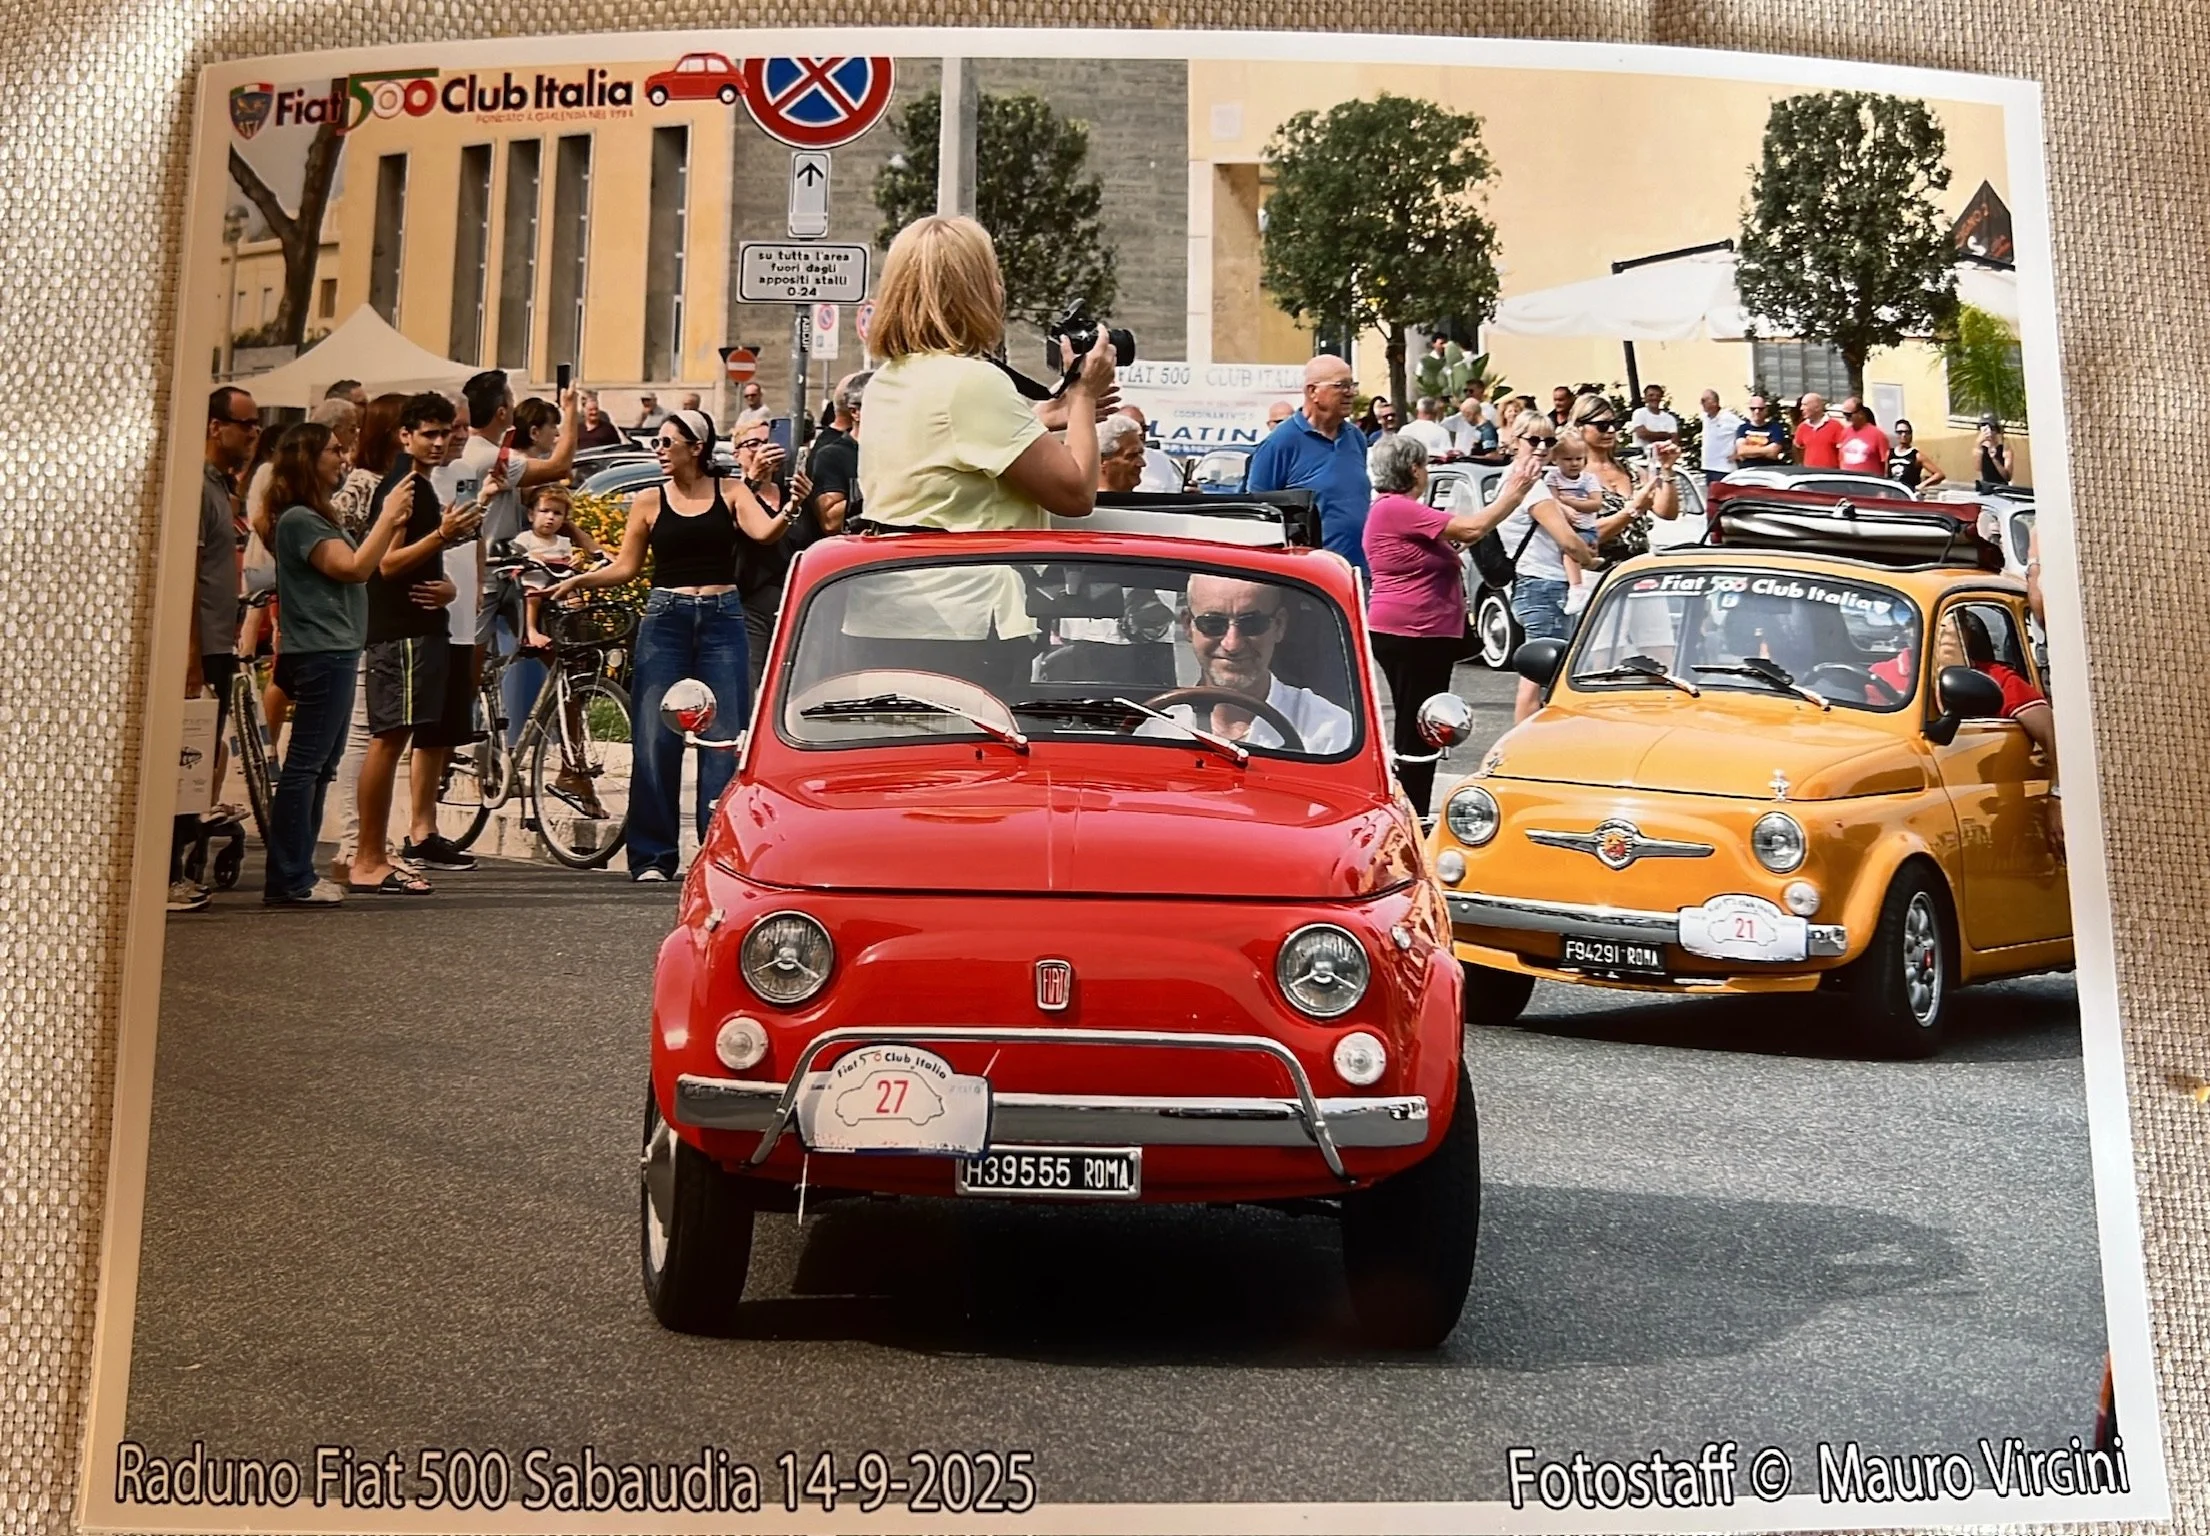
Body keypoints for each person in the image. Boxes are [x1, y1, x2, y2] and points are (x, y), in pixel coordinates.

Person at [550, 409, 795, 881]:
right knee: (655, 736)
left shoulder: (730, 491)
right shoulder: (648, 500)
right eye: (657, 443)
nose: (659, 450)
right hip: (666, 619)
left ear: (696, 447)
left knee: (723, 738)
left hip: (723, 617)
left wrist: (791, 507)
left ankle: (718, 854)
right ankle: (652, 857)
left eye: (667, 443)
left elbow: (764, 534)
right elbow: (626, 567)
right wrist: (581, 580)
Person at [855, 215, 1118, 533]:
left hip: (905, 562)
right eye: (992, 275)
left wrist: (1036, 419)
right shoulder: (970, 383)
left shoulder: (885, 380)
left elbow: (949, 453)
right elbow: (1076, 495)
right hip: (978, 566)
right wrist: (1084, 393)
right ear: (975, 292)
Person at [262, 423, 416, 906]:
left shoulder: (314, 515)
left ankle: (297, 872)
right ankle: (290, 878)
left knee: (319, 767)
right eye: (332, 450)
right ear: (308, 458)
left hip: (335, 649)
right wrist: (388, 517)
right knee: (306, 767)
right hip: (322, 651)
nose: (342, 456)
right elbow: (353, 568)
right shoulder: (299, 520)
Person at [349, 393, 479, 896]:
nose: (440, 442)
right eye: (429, 433)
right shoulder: (404, 487)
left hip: (418, 630)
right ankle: (368, 858)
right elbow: (386, 563)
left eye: (446, 432)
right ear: (405, 436)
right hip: (400, 633)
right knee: (388, 741)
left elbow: (415, 562)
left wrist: (446, 582)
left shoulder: (420, 485)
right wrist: (442, 535)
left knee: (398, 739)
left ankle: (376, 854)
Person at [1360, 433, 1521, 813]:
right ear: (1413, 469)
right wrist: (1514, 494)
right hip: (1413, 632)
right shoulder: (1396, 508)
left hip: (1418, 632)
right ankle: (1411, 812)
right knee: (1421, 724)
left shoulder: (1396, 511)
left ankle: (1412, 805)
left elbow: (1446, 545)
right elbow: (1471, 529)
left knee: (1421, 722)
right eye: (1425, 466)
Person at [170, 387, 260, 912]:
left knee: (198, 757)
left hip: (217, 642)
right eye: (246, 424)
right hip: (201, 646)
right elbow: (187, 575)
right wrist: (189, 655)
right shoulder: (197, 488)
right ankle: (166, 875)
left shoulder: (218, 485)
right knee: (184, 759)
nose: (253, 433)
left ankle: (179, 866)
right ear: (213, 426)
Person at [327, 392, 404, 884]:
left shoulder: (391, 481)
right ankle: (356, 843)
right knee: (365, 732)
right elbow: (333, 535)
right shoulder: (364, 485)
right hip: (363, 616)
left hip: (381, 616)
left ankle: (363, 842)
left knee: (375, 730)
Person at [1139, 574, 1354, 753]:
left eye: (1252, 624)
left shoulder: (1329, 731)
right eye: (1213, 624)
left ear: (1279, 625)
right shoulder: (1157, 731)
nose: (1232, 644)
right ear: (1188, 625)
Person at [1494, 418, 1605, 724]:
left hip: (1532, 583)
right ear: (1515, 440)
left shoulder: (1513, 478)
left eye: (1549, 441)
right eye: (1534, 440)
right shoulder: (1531, 487)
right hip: (1545, 585)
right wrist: (1588, 560)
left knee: (1539, 677)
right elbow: (1567, 539)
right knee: (1539, 682)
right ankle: (1524, 745)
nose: (1542, 448)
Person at [1246, 354, 1375, 572]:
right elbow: (1257, 515)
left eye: (1352, 385)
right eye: (1341, 386)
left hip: (1357, 571)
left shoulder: (1355, 438)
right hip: (1309, 577)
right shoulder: (1280, 443)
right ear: (1313, 391)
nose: (1351, 393)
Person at [802, 371, 868, 541]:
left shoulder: (897, 449)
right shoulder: (832, 454)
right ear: (855, 412)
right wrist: (884, 487)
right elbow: (831, 522)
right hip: (853, 549)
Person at [515, 487, 580, 650]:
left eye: (557, 513)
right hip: (534, 582)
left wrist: (575, 561)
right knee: (532, 596)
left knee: (574, 599)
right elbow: (516, 557)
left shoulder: (563, 542)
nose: (550, 517)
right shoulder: (525, 539)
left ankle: (572, 632)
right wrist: (530, 556)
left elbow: (569, 562)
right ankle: (531, 631)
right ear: (531, 515)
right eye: (544, 511)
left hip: (557, 583)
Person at [1112, 405, 1184, 492]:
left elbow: (1174, 494)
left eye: (1144, 428)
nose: (1140, 432)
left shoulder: (1161, 460)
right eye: (1133, 428)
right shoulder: (1104, 459)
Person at [1697, 390, 1744, 484]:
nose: (1701, 403)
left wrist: (1738, 453)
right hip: (1709, 466)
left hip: (1724, 468)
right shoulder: (1705, 418)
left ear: (1715, 402)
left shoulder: (1728, 417)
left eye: (1704, 400)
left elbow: (1744, 430)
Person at [1837, 396, 1891, 476]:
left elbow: (1886, 462)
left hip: (1868, 480)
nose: (1846, 418)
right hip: (1847, 480)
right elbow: (1840, 458)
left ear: (1860, 413)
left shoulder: (1878, 434)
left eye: (1849, 415)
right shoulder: (1845, 432)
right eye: (1844, 414)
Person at [1885, 418, 1945, 491]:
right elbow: (1886, 475)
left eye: (1907, 432)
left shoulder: (1916, 455)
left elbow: (1939, 474)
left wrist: (1922, 485)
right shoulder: (1890, 453)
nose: (1903, 435)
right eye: (1900, 432)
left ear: (1911, 434)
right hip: (1892, 494)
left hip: (1908, 494)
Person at [1097, 413, 1150, 493]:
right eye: (1132, 456)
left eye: (1140, 454)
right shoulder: (1080, 500)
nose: (1142, 464)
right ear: (1101, 461)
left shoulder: (1149, 500)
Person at [1792, 392, 1844, 468]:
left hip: (1831, 472)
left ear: (1817, 407)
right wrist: (1801, 465)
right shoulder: (1802, 427)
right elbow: (1797, 448)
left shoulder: (1836, 426)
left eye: (1805, 405)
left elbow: (1843, 452)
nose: (1801, 408)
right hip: (1810, 472)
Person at [1734, 394, 1789, 466]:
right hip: (1747, 469)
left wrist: (1749, 451)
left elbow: (1773, 452)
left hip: (1769, 468)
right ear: (1749, 409)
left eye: (1761, 409)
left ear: (1766, 410)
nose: (1757, 411)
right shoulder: (1743, 428)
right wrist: (1766, 450)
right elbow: (1742, 451)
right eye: (1753, 408)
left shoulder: (1775, 428)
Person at [1628, 383, 1679, 453]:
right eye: (1651, 395)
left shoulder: (1669, 418)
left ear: (1661, 398)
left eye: (1658, 395)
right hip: (1643, 455)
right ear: (1645, 398)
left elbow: (1675, 440)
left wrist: (1653, 435)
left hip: (1664, 455)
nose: (1654, 398)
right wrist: (1667, 435)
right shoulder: (1639, 413)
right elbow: (1642, 434)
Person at [1976, 414, 2015, 491]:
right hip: (1986, 487)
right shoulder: (1980, 448)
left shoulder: (2005, 449)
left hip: (2000, 488)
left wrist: (1994, 459)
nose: (1988, 431)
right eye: (1983, 426)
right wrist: (1978, 443)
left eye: (1991, 428)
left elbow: (2007, 477)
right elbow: (1977, 468)